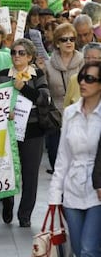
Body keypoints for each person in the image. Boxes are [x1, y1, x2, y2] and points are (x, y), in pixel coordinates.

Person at [48, 62, 101, 257]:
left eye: (90, 79)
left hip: (97, 190)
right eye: (81, 77)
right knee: (80, 250)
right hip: (72, 189)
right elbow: (63, 157)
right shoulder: (70, 112)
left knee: (89, 249)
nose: (82, 82)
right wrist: (54, 196)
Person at [0, 38, 50, 227]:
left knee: (30, 174)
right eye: (13, 52)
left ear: (29, 56)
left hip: (33, 130)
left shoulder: (38, 74)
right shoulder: (3, 75)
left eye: (21, 53)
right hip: (8, 130)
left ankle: (25, 214)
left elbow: (44, 99)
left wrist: (24, 88)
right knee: (8, 171)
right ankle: (8, 202)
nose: (16, 56)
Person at [44, 23, 84, 174]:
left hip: (79, 117)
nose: (69, 42)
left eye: (72, 39)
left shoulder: (83, 62)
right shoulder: (48, 64)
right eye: (64, 39)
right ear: (56, 43)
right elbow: (45, 90)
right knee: (56, 162)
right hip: (55, 117)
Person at [65, 42, 101, 107]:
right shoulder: (75, 79)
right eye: (87, 58)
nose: (91, 61)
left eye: (95, 58)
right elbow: (66, 106)